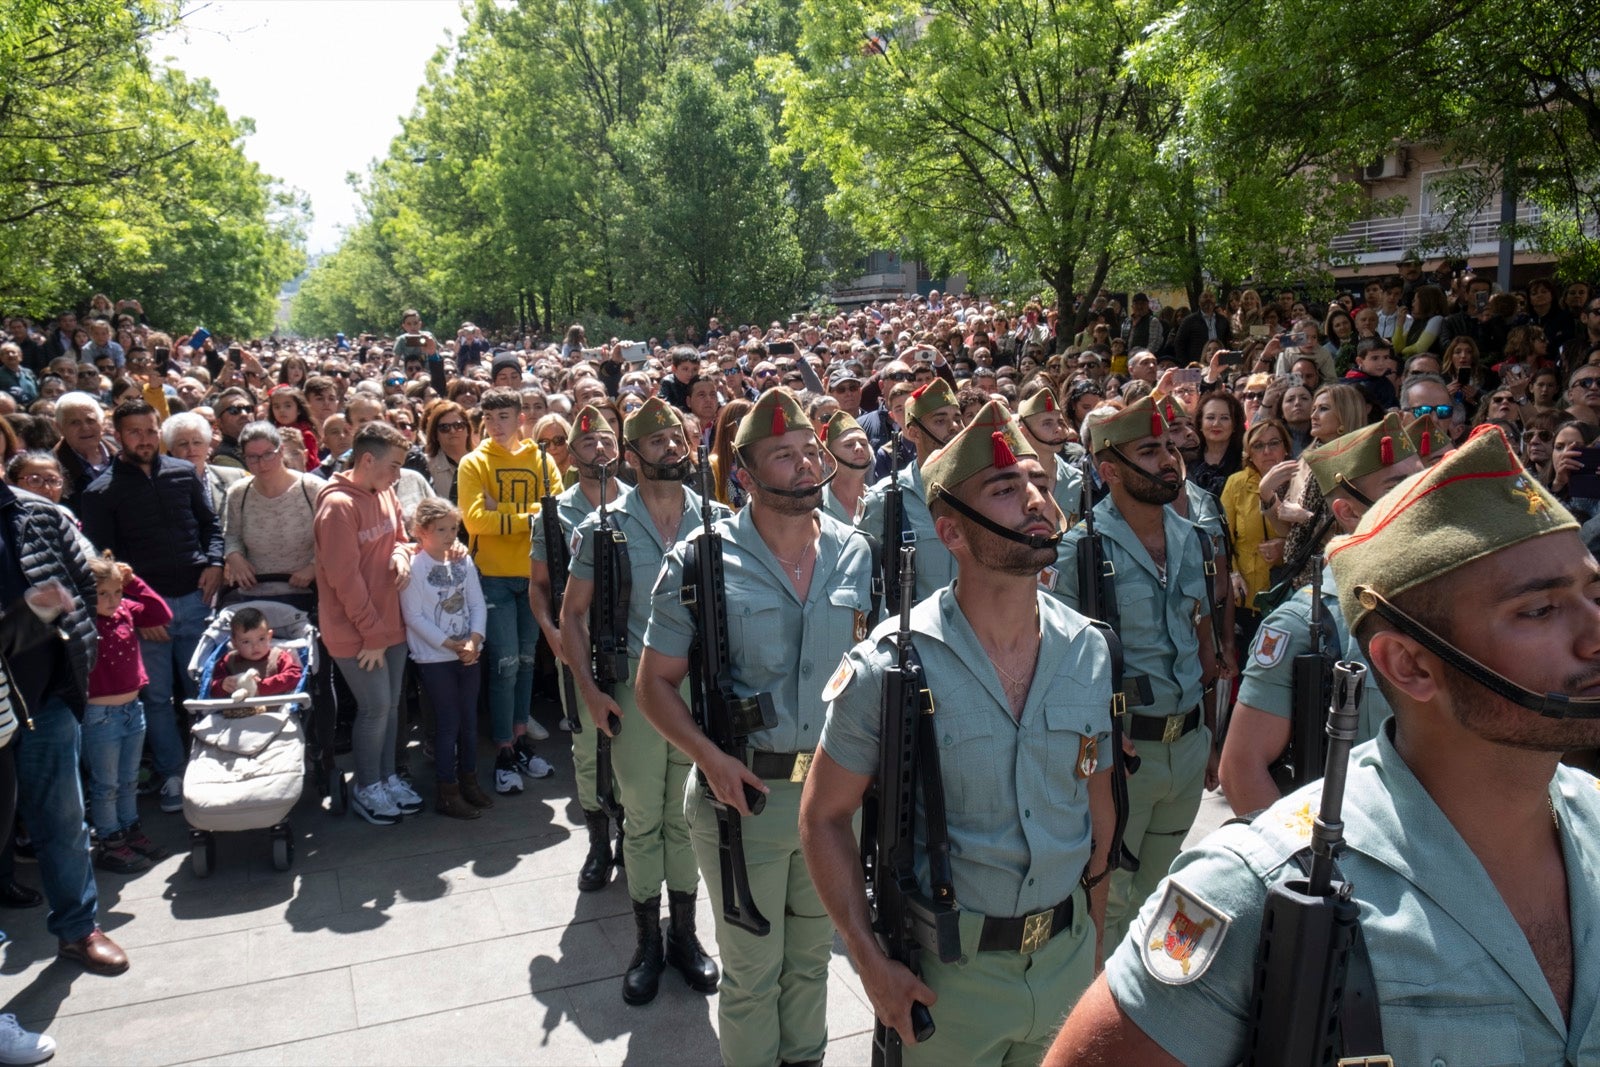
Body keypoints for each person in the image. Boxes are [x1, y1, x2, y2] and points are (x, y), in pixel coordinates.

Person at [1047, 424, 1600, 1067]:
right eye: (1539, 610)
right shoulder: (1258, 890)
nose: (1593, 635)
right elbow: (1243, 761)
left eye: (1595, 593)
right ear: (1408, 665)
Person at [803, 400, 1113, 1065]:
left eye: (1036, 483)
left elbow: (1099, 807)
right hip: (950, 980)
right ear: (952, 533)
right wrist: (869, 960)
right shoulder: (889, 664)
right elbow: (823, 816)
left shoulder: (1089, 647)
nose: (1034, 500)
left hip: (1066, 962)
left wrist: (1094, 944)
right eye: (1004, 489)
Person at [635, 390, 879, 1067]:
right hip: (744, 801)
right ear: (743, 474)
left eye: (810, 452)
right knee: (750, 974)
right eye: (783, 455)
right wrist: (708, 757)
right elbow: (654, 684)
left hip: (832, 801)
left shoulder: (860, 553)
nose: (805, 466)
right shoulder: (701, 561)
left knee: (810, 963)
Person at [1048, 395, 1233, 950]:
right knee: (1110, 902)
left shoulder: (1194, 538)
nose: (1169, 460)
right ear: (1109, 470)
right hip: (1124, 757)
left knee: (1160, 891)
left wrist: (1211, 737)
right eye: (1150, 451)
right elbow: (1057, 663)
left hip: (1187, 746)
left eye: (1170, 448)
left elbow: (1204, 647)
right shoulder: (1080, 549)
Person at [562, 397, 722, 1006]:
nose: (672, 447)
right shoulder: (604, 529)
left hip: (696, 692)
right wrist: (591, 692)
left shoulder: (717, 519)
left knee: (686, 818)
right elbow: (572, 615)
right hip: (634, 692)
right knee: (643, 819)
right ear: (631, 456)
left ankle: (685, 936)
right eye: (656, 442)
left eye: (676, 437)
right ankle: (646, 943)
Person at [1217, 414, 1418, 817]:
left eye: (1422, 483)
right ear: (1347, 511)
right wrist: (1306, 854)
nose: (1418, 500)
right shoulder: (1303, 625)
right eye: (1397, 489)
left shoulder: (1439, 603)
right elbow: (1241, 772)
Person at [78, 399, 223, 815]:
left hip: (196, 599)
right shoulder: (100, 492)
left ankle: (213, 765)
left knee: (202, 690)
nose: (144, 439)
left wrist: (214, 563)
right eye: (134, 432)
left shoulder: (182, 473)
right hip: (147, 616)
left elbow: (210, 525)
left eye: (150, 430)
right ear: (118, 435)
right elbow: (106, 564)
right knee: (157, 699)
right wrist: (138, 612)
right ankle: (173, 773)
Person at [530, 406, 624, 888]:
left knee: (635, 747)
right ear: (570, 454)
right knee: (589, 750)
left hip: (632, 644)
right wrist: (552, 633)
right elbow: (540, 586)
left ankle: (632, 836)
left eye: (606, 440)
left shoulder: (639, 503)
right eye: (588, 443)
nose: (599, 449)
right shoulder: (555, 513)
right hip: (580, 643)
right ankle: (598, 842)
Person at [314, 421, 421, 827]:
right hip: (357, 631)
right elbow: (344, 579)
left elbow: (401, 540)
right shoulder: (338, 507)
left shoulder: (385, 491)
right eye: (394, 466)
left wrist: (401, 556)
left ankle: (387, 777)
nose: (398, 475)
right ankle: (367, 786)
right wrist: (372, 634)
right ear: (368, 460)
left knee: (391, 707)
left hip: (390, 621)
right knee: (375, 707)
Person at [456, 387, 562, 790]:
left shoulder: (541, 459)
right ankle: (503, 748)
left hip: (534, 575)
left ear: (521, 419)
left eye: (503, 417)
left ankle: (519, 741)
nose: (495, 425)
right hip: (493, 577)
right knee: (504, 664)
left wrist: (501, 510)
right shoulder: (473, 463)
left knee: (526, 661)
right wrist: (530, 515)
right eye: (489, 418)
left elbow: (554, 513)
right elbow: (475, 522)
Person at [399, 498, 488, 819]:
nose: (450, 535)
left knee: (469, 722)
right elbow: (414, 616)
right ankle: (447, 792)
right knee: (448, 724)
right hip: (434, 659)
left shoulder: (463, 561)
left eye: (453, 529)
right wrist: (452, 644)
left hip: (468, 655)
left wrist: (474, 640)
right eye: (441, 530)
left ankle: (469, 781)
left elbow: (477, 604)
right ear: (421, 531)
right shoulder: (415, 567)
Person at [83, 553, 172, 874]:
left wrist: (134, 583)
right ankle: (111, 841)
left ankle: (130, 830)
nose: (111, 600)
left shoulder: (124, 611)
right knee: (106, 784)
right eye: (102, 593)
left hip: (133, 709)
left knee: (129, 779)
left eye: (116, 592)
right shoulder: (84, 621)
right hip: (100, 716)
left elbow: (161, 613)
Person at [862, 379, 967, 604]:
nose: (954, 427)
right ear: (913, 433)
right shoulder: (885, 498)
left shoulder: (978, 494)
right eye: (940, 420)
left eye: (957, 418)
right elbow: (863, 576)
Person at [221, 423, 319, 608]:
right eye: (253, 457)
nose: (262, 463)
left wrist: (313, 567)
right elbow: (232, 535)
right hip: (255, 594)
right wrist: (235, 557)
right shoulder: (238, 493)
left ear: (281, 451)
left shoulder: (313, 489)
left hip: (307, 593)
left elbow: (334, 540)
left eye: (268, 454)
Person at [1220, 419, 1290, 641]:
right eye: (1258, 446)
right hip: (1247, 599)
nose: (1267, 451)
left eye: (1274, 443)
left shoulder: (1303, 480)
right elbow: (1220, 536)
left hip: (1290, 596)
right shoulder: (1236, 484)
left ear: (1286, 448)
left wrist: (1286, 547)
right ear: (1249, 454)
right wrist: (1232, 574)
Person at [206, 606, 304, 700]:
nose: (255, 646)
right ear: (235, 643)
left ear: (269, 636)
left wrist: (261, 687)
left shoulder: (279, 657)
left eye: (261, 639)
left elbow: (295, 676)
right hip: (236, 710)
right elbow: (210, 688)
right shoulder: (228, 661)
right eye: (246, 642)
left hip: (272, 710)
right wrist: (222, 685)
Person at [820, 411, 871, 526]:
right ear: (829, 458)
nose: (859, 448)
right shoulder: (816, 505)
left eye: (863, 444)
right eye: (849, 445)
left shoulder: (879, 502)